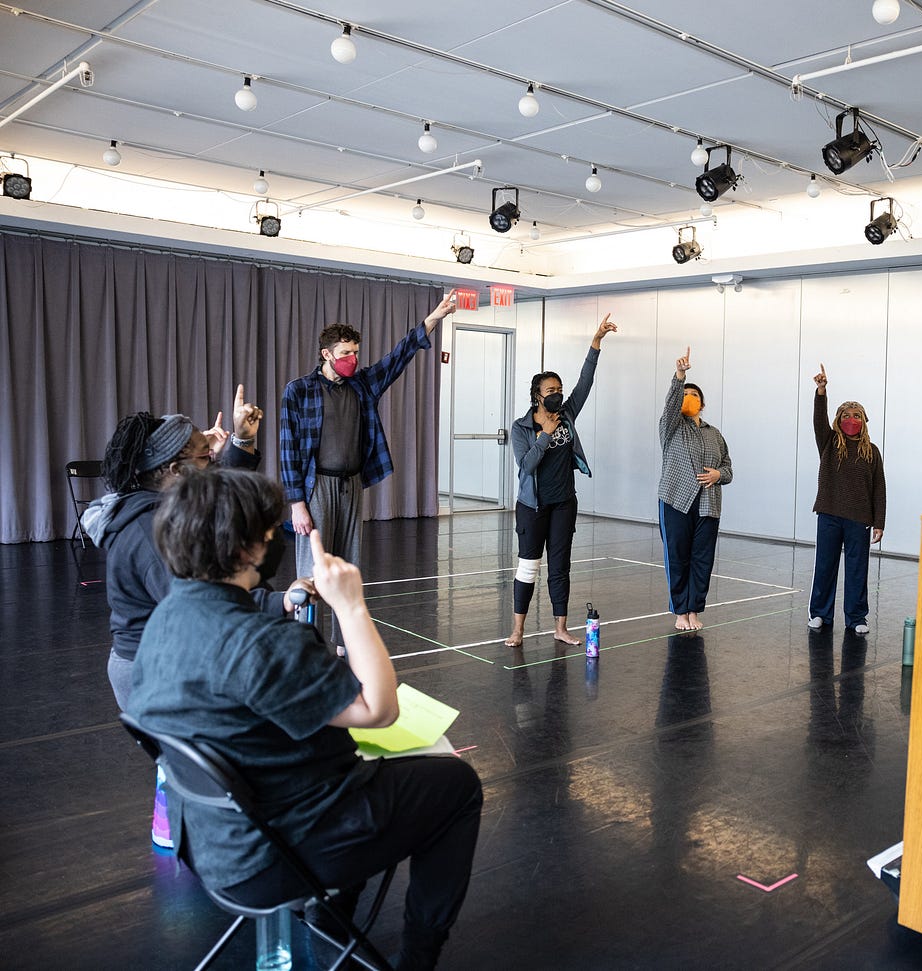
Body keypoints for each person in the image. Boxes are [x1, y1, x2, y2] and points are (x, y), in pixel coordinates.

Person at [128, 468, 483, 971]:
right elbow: (380, 709)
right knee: (458, 785)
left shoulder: (165, 620)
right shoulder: (262, 643)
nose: (275, 538)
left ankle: (331, 919)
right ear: (244, 549)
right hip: (276, 854)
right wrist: (353, 606)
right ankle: (416, 957)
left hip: (209, 844)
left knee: (359, 769)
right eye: (268, 531)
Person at [82, 389, 308, 851]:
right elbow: (204, 604)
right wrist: (279, 604)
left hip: (159, 659)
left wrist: (239, 444)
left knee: (182, 762)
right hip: (154, 669)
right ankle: (210, 845)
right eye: (204, 456)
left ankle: (182, 831)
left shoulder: (156, 506)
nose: (211, 459)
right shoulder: (150, 531)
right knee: (196, 762)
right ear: (171, 471)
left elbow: (213, 496)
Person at [280, 294, 457, 608]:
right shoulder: (299, 390)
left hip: (351, 485)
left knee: (348, 571)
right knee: (313, 571)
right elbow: (288, 449)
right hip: (316, 486)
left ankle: (341, 645)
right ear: (326, 353)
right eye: (345, 352)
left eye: (355, 352)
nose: (352, 358)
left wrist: (432, 319)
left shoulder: (361, 385)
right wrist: (297, 504)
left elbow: (397, 357)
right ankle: (306, 641)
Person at [505, 313, 617, 647]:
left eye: (559, 390)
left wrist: (596, 341)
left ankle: (560, 627)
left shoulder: (566, 414)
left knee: (560, 567)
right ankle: (518, 630)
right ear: (537, 396)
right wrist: (545, 436)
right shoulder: (521, 427)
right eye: (551, 391)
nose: (557, 395)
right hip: (532, 507)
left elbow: (586, 381)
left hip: (564, 503)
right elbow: (526, 466)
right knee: (528, 567)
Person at [658, 347, 733, 631]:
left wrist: (718, 474)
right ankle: (680, 610)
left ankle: (694, 609)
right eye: (685, 395)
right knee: (677, 556)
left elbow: (728, 468)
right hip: (676, 501)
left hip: (708, 504)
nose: (690, 398)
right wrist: (680, 376)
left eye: (695, 395)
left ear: (702, 404)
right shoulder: (671, 427)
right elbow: (669, 406)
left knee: (702, 559)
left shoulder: (714, 434)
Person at [807, 364, 886, 634]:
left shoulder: (872, 452)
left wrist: (879, 523)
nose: (851, 420)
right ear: (838, 419)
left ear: (864, 420)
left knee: (856, 571)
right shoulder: (828, 442)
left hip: (859, 519)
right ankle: (820, 614)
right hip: (829, 514)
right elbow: (818, 420)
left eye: (856, 416)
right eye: (846, 416)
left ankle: (856, 618)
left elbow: (879, 489)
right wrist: (821, 392)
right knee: (825, 566)